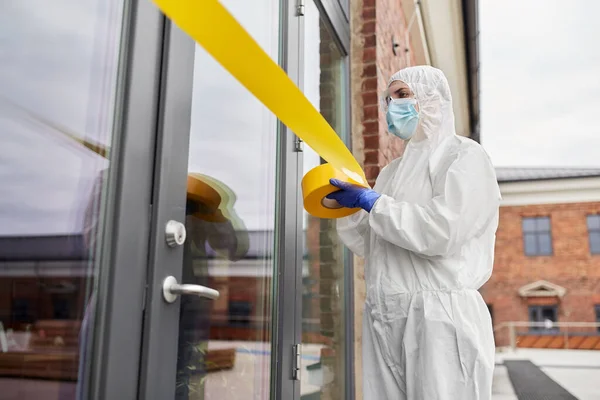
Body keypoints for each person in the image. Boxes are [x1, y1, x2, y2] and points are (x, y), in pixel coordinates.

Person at [326, 66, 501, 399]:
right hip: (385, 316)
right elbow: (372, 242)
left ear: (433, 99)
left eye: (403, 95)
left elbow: (442, 231)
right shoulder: (393, 172)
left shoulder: (464, 156)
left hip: (440, 320)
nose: (393, 106)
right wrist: (348, 209)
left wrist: (373, 203)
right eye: (388, 99)